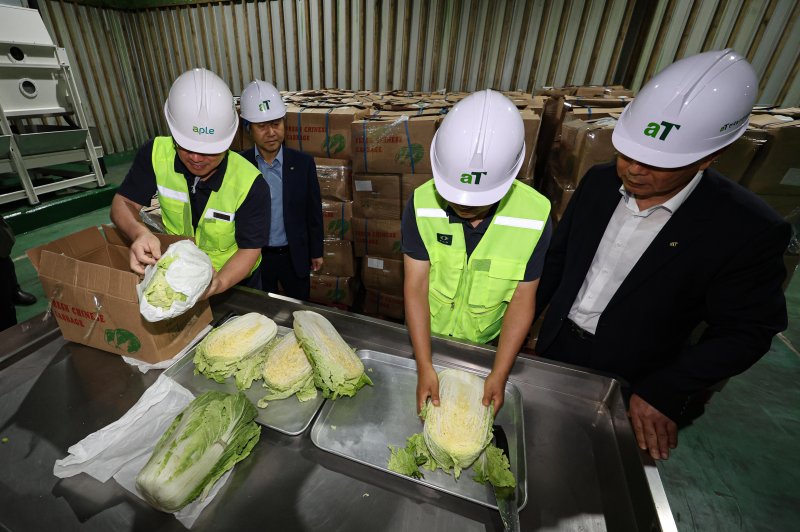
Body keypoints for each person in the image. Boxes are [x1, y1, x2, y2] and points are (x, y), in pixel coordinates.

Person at [534, 49, 791, 460]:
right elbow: (558, 261)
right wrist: (521, 331)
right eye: (627, 154)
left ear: (709, 158)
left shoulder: (746, 229)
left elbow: (748, 331)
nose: (634, 170)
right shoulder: (599, 183)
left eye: (657, 163)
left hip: (638, 374)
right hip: (557, 346)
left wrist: (667, 389)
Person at [402, 90, 552, 415]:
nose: (464, 204)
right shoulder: (421, 204)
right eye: (456, 194)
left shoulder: (535, 216)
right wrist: (424, 363)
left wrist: (499, 372)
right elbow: (415, 286)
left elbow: (523, 299)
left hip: (485, 347)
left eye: (478, 199)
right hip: (429, 335)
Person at [111, 69, 270, 297]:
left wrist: (218, 284)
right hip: (180, 276)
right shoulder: (156, 154)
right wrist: (139, 233)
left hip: (234, 283)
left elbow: (249, 250)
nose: (196, 158)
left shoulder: (250, 183)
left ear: (228, 141)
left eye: (209, 151)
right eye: (185, 146)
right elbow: (123, 202)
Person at [237, 80, 323, 300]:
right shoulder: (239, 166)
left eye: (276, 123)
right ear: (248, 129)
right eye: (262, 126)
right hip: (255, 257)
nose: (271, 132)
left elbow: (313, 212)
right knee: (261, 310)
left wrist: (316, 251)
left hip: (294, 254)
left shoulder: (303, 164)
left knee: (300, 308)